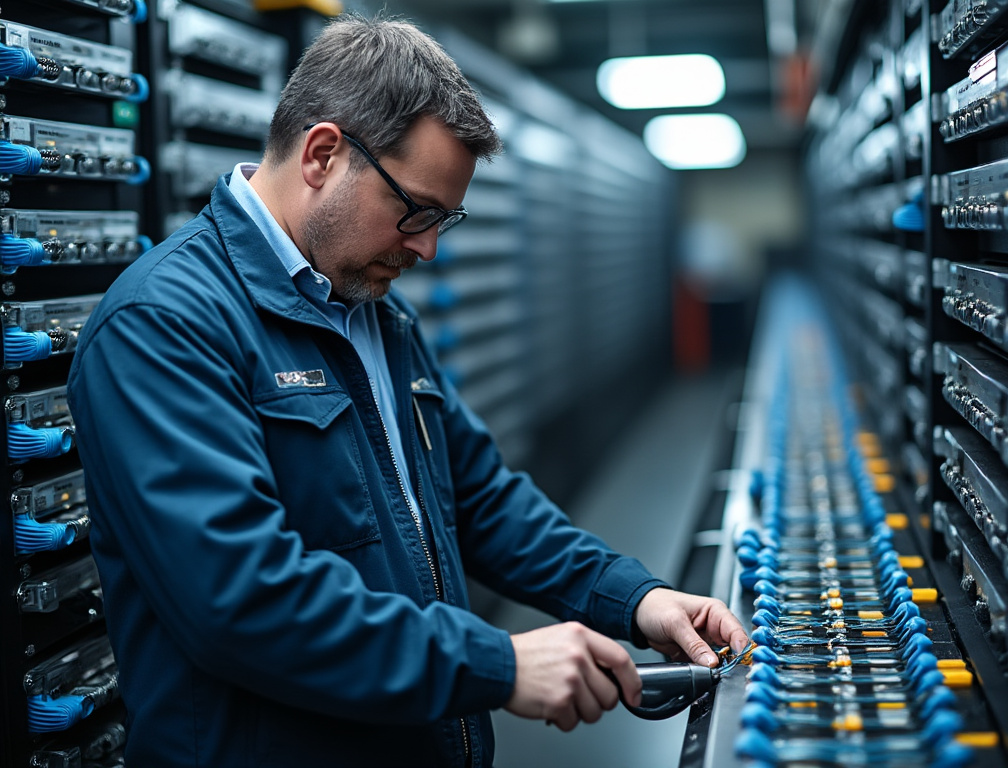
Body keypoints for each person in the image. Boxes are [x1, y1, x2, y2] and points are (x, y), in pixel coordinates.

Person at [67, 13, 749, 768]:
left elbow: (480, 497)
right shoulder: (163, 325)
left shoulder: (374, 313)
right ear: (323, 154)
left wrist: (633, 598)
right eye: (416, 211)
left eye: (444, 221)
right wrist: (497, 665)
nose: (426, 248)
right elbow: (241, 602)